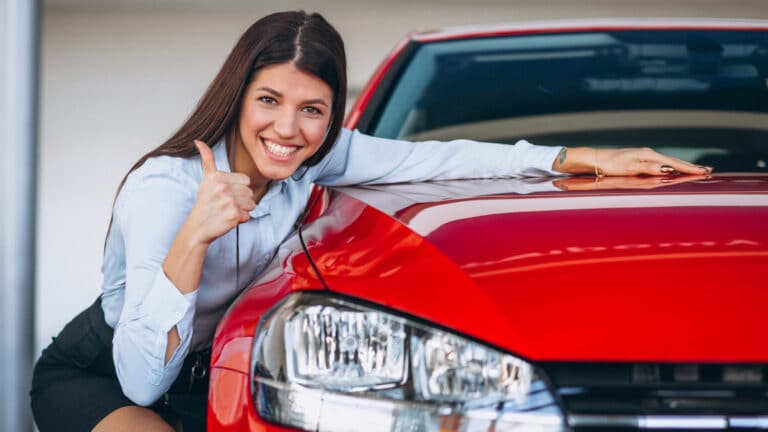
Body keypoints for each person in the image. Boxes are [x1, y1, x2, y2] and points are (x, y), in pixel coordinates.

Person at [29, 10, 712, 432]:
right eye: (270, 99)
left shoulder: (315, 160)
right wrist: (193, 236)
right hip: (108, 369)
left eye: (313, 109)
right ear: (238, 97)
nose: (287, 129)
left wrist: (580, 156)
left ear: (332, 117)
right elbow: (142, 378)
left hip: (211, 371)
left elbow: (442, 160)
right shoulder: (164, 190)